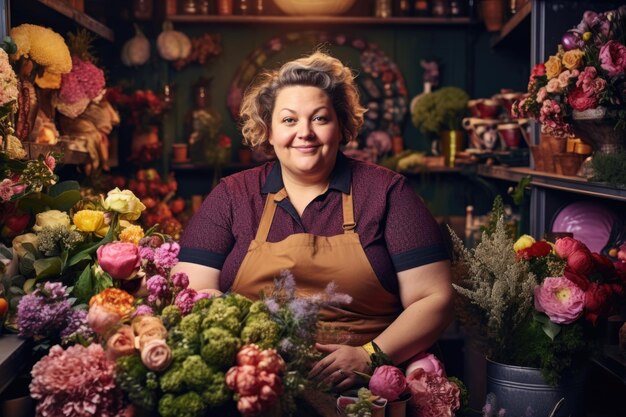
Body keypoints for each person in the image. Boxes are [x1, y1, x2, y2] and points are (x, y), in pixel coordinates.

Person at [176, 51, 454, 391]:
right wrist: (250, 358)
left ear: (341, 126)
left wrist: (371, 355)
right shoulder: (233, 196)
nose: (304, 133)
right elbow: (191, 292)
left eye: (320, 119)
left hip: (367, 387)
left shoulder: (387, 193)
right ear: (269, 131)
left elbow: (434, 299)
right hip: (257, 384)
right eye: (289, 120)